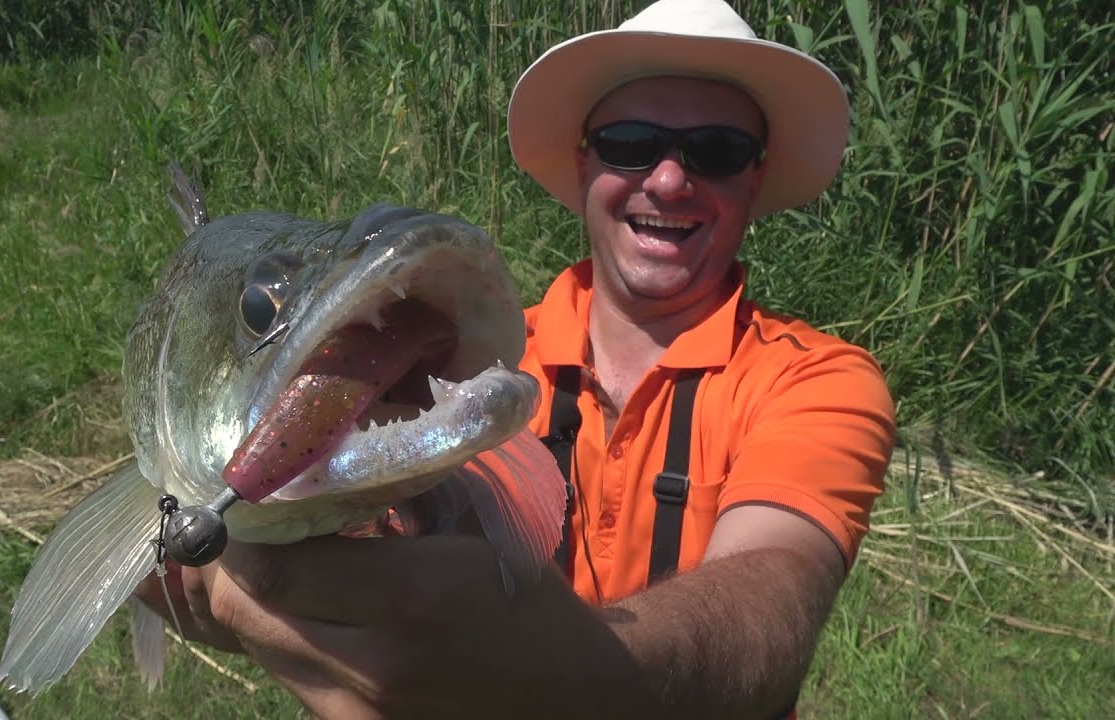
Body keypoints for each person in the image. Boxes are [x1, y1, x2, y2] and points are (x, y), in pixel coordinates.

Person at [135, 1, 896, 718]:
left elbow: (771, 610)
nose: (668, 179)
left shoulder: (818, 380)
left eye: (718, 152)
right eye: (631, 144)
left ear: (756, 177)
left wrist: (578, 670)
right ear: (584, 163)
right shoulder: (460, 368)